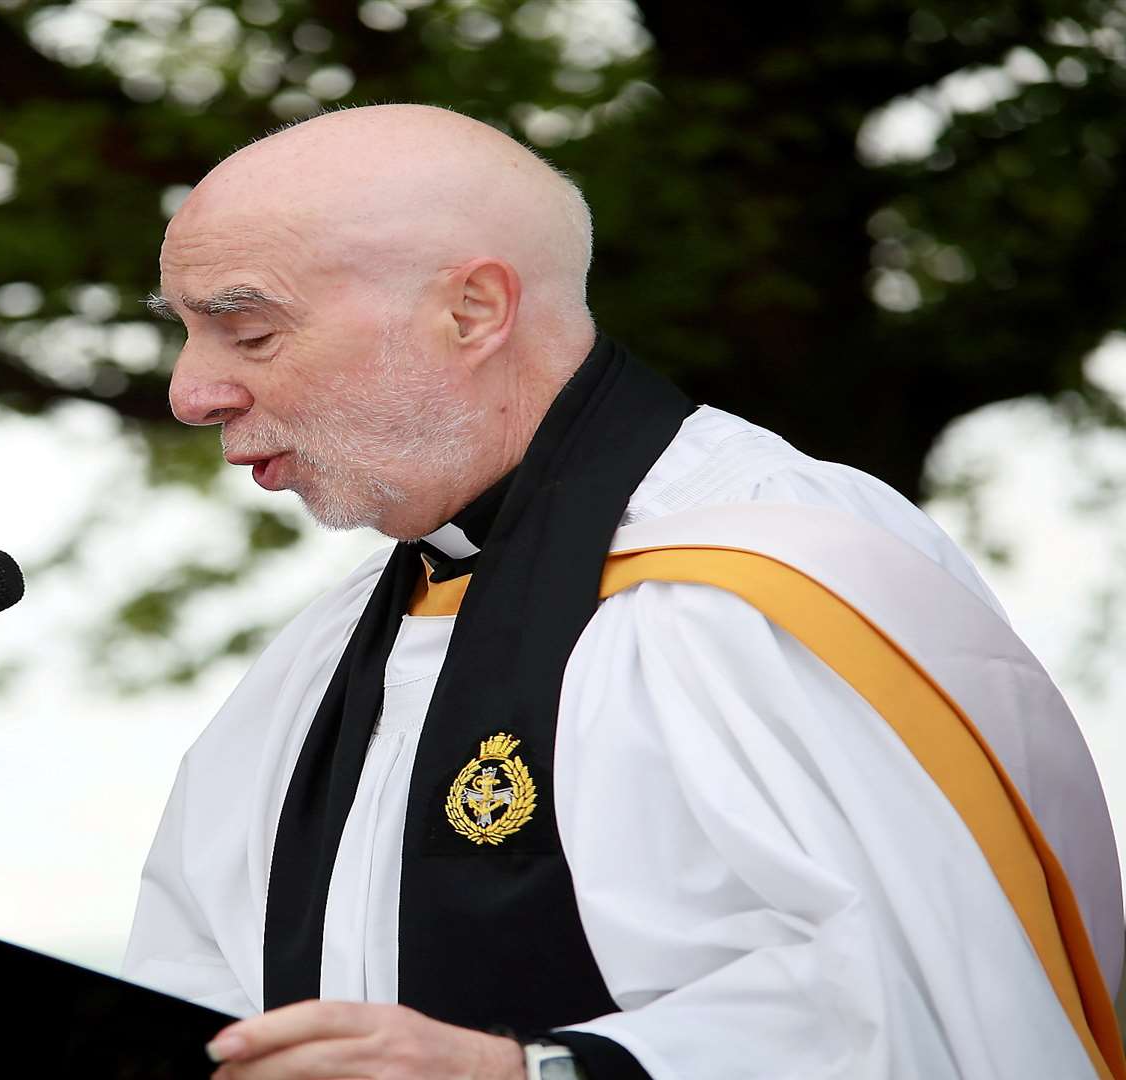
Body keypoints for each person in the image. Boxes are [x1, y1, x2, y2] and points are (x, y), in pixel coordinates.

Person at [122, 103, 1125, 1080]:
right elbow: (198, 978)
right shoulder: (324, 655)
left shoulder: (783, 572)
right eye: (187, 335)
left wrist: (535, 1073)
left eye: (247, 334)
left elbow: (935, 1004)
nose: (189, 393)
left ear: (472, 312)